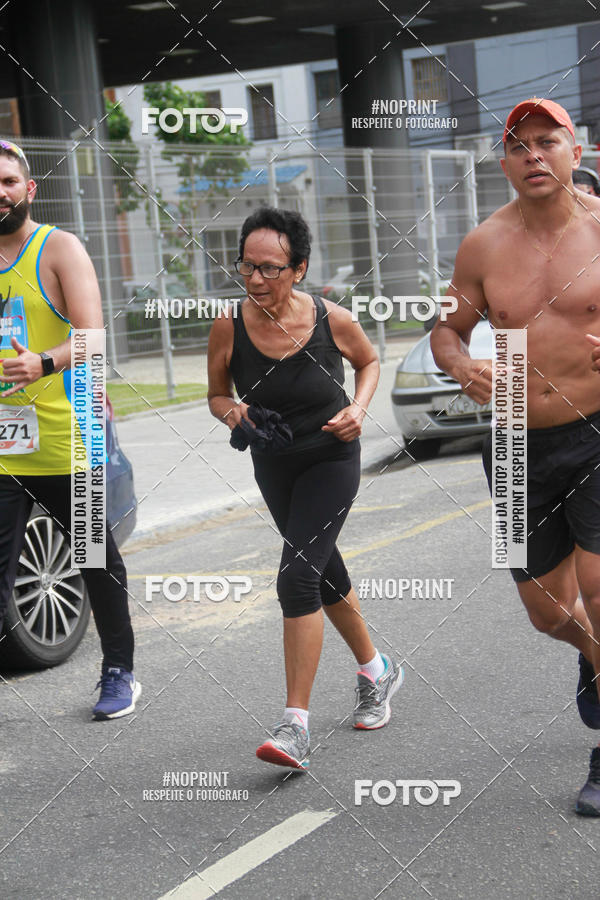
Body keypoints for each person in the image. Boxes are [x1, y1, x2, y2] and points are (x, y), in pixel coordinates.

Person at [430, 98, 600, 816]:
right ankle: (592, 660)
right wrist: (461, 367)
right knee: (545, 610)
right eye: (519, 146)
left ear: (573, 149)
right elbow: (445, 329)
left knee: (599, 588)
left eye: (546, 141)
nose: (533, 156)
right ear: (502, 162)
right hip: (512, 443)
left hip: (596, 428)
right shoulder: (482, 245)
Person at [208, 206, 402, 770]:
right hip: (274, 463)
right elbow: (216, 395)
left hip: (331, 457)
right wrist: (234, 413)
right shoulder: (229, 325)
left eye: (271, 268)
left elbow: (368, 363)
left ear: (299, 269)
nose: (257, 279)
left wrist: (359, 410)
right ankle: (377, 670)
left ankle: (294, 724)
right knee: (322, 571)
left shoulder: (329, 319)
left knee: (296, 578)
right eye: (247, 267)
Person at [0, 140, 140, 719]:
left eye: (7, 180)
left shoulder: (57, 248)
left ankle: (119, 672)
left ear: (28, 189)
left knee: (92, 557)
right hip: (5, 445)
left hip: (69, 434)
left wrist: (43, 363)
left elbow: (95, 337)